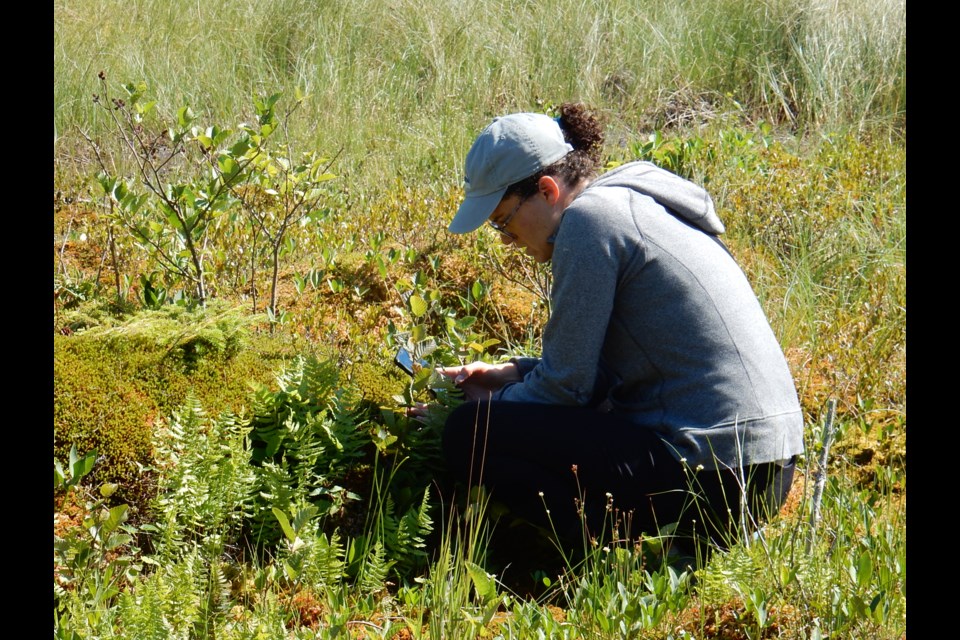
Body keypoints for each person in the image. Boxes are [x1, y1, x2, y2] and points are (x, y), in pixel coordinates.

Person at [420, 103, 804, 563]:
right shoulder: (634, 205)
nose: (505, 239)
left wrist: (489, 407)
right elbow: (603, 368)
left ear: (546, 190)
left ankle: (602, 565)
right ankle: (667, 551)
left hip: (714, 470)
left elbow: (566, 389)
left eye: (502, 221)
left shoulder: (588, 223)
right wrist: (511, 373)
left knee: (468, 434)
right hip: (763, 467)